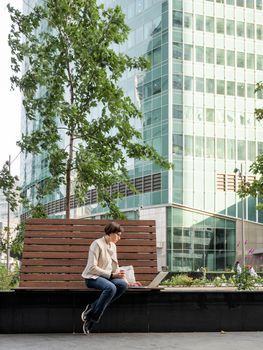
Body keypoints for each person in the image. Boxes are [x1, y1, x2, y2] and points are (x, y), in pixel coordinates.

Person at [81, 222, 128, 334]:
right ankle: (91, 320)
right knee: (111, 288)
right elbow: (92, 268)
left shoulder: (113, 245)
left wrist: (124, 278)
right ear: (111, 233)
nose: (119, 238)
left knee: (123, 285)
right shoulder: (96, 244)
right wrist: (112, 275)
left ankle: (92, 308)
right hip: (92, 277)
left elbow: (115, 266)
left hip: (107, 277)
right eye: (118, 235)